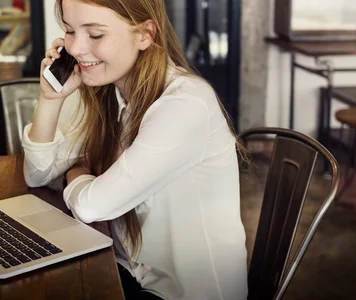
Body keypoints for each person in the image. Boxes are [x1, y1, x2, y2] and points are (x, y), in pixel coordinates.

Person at [22, 0, 248, 299]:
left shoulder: (184, 104)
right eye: (69, 31)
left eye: (95, 35)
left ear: (144, 34)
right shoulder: (112, 91)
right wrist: (51, 99)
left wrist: (76, 174)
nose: (75, 48)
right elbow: (37, 174)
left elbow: (93, 206)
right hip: (130, 272)